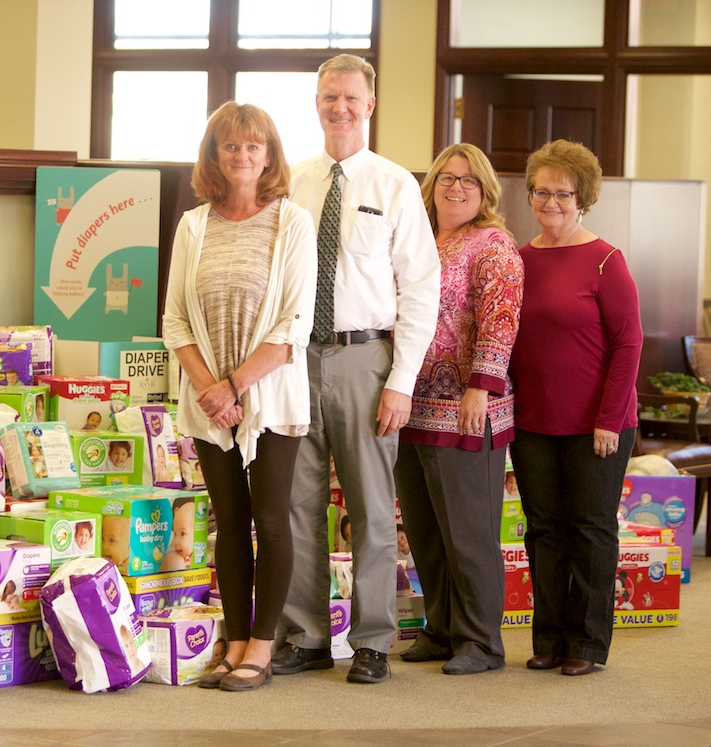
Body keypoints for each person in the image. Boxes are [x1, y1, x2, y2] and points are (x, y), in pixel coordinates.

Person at [273, 53, 440, 686]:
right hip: (294, 359)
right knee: (298, 502)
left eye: (350, 98)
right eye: (328, 97)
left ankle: (372, 639)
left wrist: (401, 381)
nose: (338, 107)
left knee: (371, 506)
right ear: (316, 104)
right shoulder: (289, 181)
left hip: (368, 359)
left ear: (369, 105)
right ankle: (308, 634)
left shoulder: (395, 185)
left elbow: (421, 288)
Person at [163, 100, 316, 692]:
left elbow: (292, 326)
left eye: (255, 146)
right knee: (228, 522)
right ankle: (231, 639)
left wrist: (235, 386)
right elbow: (175, 321)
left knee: (272, 520)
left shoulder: (291, 223)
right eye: (231, 146)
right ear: (214, 157)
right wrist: (211, 391)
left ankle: (262, 646)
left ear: (270, 155)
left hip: (270, 397)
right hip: (209, 403)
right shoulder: (194, 225)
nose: (243, 155)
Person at [508, 139, 642, 677]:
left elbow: (629, 345)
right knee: (543, 530)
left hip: (597, 426)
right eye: (541, 191)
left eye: (562, 192)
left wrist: (608, 420)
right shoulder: (519, 259)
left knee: (589, 529)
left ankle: (586, 644)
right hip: (533, 422)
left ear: (582, 197)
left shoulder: (607, 260)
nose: (551, 202)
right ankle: (548, 638)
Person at [392, 142, 524, 675]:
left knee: (468, 533)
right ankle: (442, 629)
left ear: (485, 190)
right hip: (411, 405)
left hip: (469, 408)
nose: (455, 187)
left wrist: (481, 387)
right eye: (447, 177)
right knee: (426, 531)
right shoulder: (419, 241)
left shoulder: (493, 245)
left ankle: (482, 642)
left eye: (468, 180)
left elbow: (502, 317)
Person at [159, 496, 195, 571]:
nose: (176, 542)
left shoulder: (186, 556)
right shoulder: (175, 558)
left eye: (182, 534)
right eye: (175, 534)